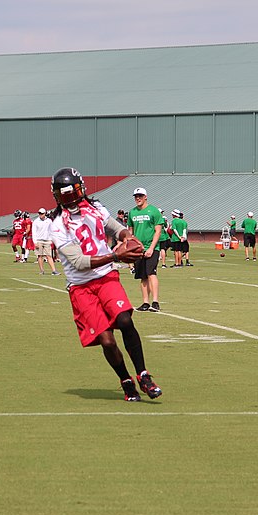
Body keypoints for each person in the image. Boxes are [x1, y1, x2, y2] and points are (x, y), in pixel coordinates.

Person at [49, 167, 162, 402]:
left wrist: (127, 238)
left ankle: (143, 375)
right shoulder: (57, 225)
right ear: (57, 196)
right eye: (65, 195)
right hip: (81, 286)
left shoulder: (96, 208)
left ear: (81, 189)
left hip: (105, 276)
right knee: (107, 340)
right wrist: (116, 256)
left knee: (124, 319)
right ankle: (126, 380)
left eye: (73, 192)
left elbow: (116, 228)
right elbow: (79, 263)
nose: (70, 199)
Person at [128, 187, 164, 312]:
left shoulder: (153, 211)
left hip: (152, 247)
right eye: (136, 196)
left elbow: (158, 231)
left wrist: (152, 248)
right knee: (142, 276)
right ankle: (145, 302)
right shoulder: (132, 212)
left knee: (151, 273)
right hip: (138, 249)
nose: (138, 198)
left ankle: (155, 302)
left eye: (140, 196)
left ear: (145, 197)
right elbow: (130, 231)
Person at [32, 207, 60, 275]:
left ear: (45, 214)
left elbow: (51, 230)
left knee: (49, 256)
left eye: (42, 213)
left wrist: (51, 239)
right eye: (39, 213)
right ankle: (42, 270)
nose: (40, 215)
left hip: (47, 240)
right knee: (40, 256)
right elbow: (34, 232)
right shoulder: (36, 221)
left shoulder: (49, 221)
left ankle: (54, 270)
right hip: (39, 240)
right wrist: (35, 242)